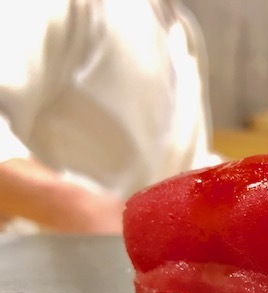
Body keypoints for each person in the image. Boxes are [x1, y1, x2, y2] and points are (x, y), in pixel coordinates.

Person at [0, 0, 222, 234]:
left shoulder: (178, 25)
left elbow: (182, 161)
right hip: (48, 253)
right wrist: (80, 209)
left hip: (130, 253)